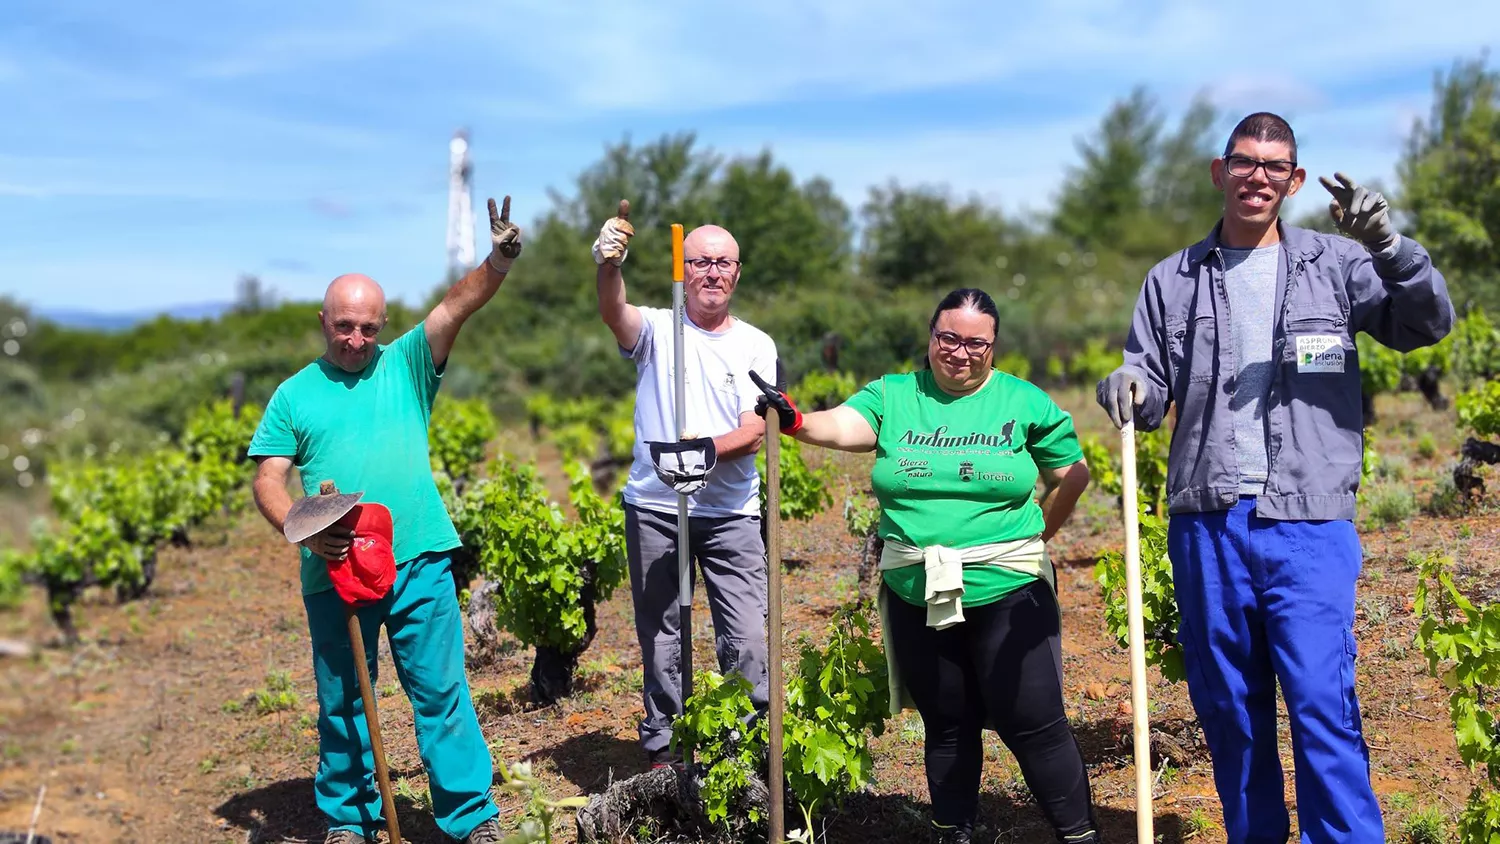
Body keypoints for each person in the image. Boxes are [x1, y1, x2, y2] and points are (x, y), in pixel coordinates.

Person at [1096, 112, 1455, 844]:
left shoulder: (1338, 264)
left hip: (1309, 523)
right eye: (1244, 161)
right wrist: (1127, 384)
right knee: (1231, 711)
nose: (1258, 176)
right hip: (1208, 524)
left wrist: (1388, 246)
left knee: (1323, 703)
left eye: (1275, 166)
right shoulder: (1172, 280)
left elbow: (1426, 324)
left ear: (1294, 181)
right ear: (1218, 172)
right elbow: (1150, 381)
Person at [753, 288, 1099, 844]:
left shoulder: (1023, 400)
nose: (960, 352)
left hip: (1007, 584)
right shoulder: (894, 395)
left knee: (1032, 720)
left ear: (993, 347)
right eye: (948, 338)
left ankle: (1079, 835)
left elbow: (1072, 474)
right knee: (946, 720)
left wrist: (1043, 530)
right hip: (916, 586)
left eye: (975, 343)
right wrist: (792, 418)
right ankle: (953, 831)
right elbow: (843, 426)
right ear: (930, 337)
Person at [247, 197, 525, 844]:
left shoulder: (406, 364)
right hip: (335, 563)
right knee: (345, 702)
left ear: (383, 325)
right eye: (344, 326)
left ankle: (470, 818)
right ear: (323, 320)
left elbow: (456, 305)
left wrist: (501, 261)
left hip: (419, 554)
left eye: (368, 328)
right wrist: (305, 530)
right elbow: (268, 479)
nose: (356, 340)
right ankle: (350, 819)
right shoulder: (293, 394)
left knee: (441, 692)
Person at [591, 204, 779, 767]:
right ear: (685, 268)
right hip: (655, 505)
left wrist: (705, 451)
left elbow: (756, 429)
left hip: (730, 511)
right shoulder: (656, 328)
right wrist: (609, 263)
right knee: (663, 635)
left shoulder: (756, 345)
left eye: (723, 263)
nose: (712, 273)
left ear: (738, 272)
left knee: (746, 637)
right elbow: (611, 308)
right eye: (699, 262)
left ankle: (744, 749)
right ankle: (665, 748)